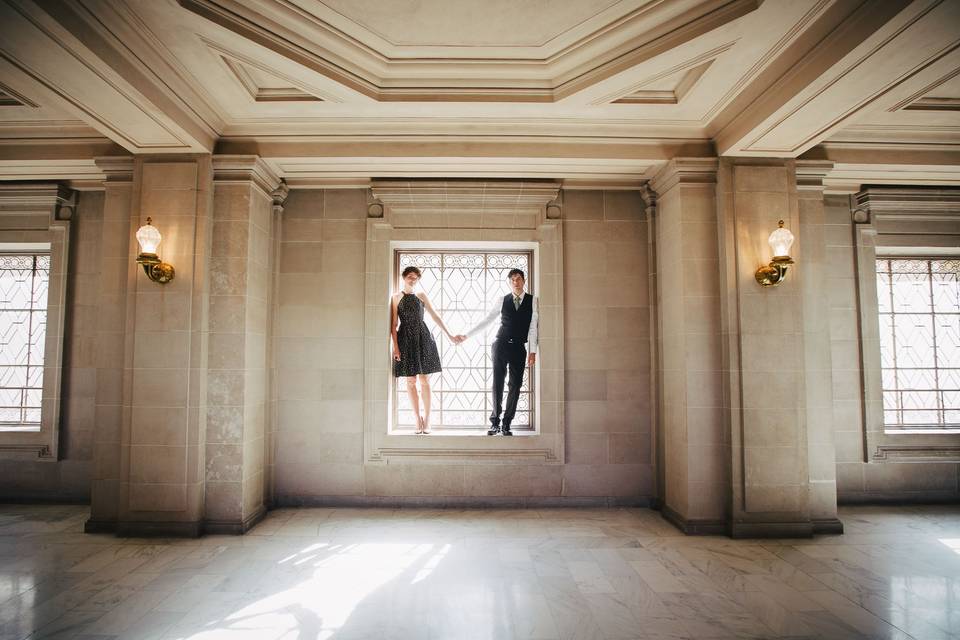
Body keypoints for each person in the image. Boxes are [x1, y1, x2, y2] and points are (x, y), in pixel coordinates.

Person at [454, 268, 538, 436]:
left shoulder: (532, 300)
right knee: (498, 382)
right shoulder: (502, 300)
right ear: (509, 282)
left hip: (519, 347)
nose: (516, 282)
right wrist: (467, 335)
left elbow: (533, 326)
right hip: (500, 344)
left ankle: (507, 423)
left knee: (515, 384)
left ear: (524, 280)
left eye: (519, 278)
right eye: (513, 279)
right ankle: (495, 422)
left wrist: (532, 351)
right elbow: (488, 320)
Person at [391, 266, 457, 434]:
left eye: (415, 277)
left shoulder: (421, 296)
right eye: (410, 277)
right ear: (404, 278)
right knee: (410, 381)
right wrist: (396, 348)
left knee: (425, 381)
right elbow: (394, 325)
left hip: (423, 338)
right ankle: (416, 418)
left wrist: (449, 335)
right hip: (405, 339)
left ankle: (427, 419)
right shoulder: (396, 298)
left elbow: (435, 316)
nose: (412, 280)